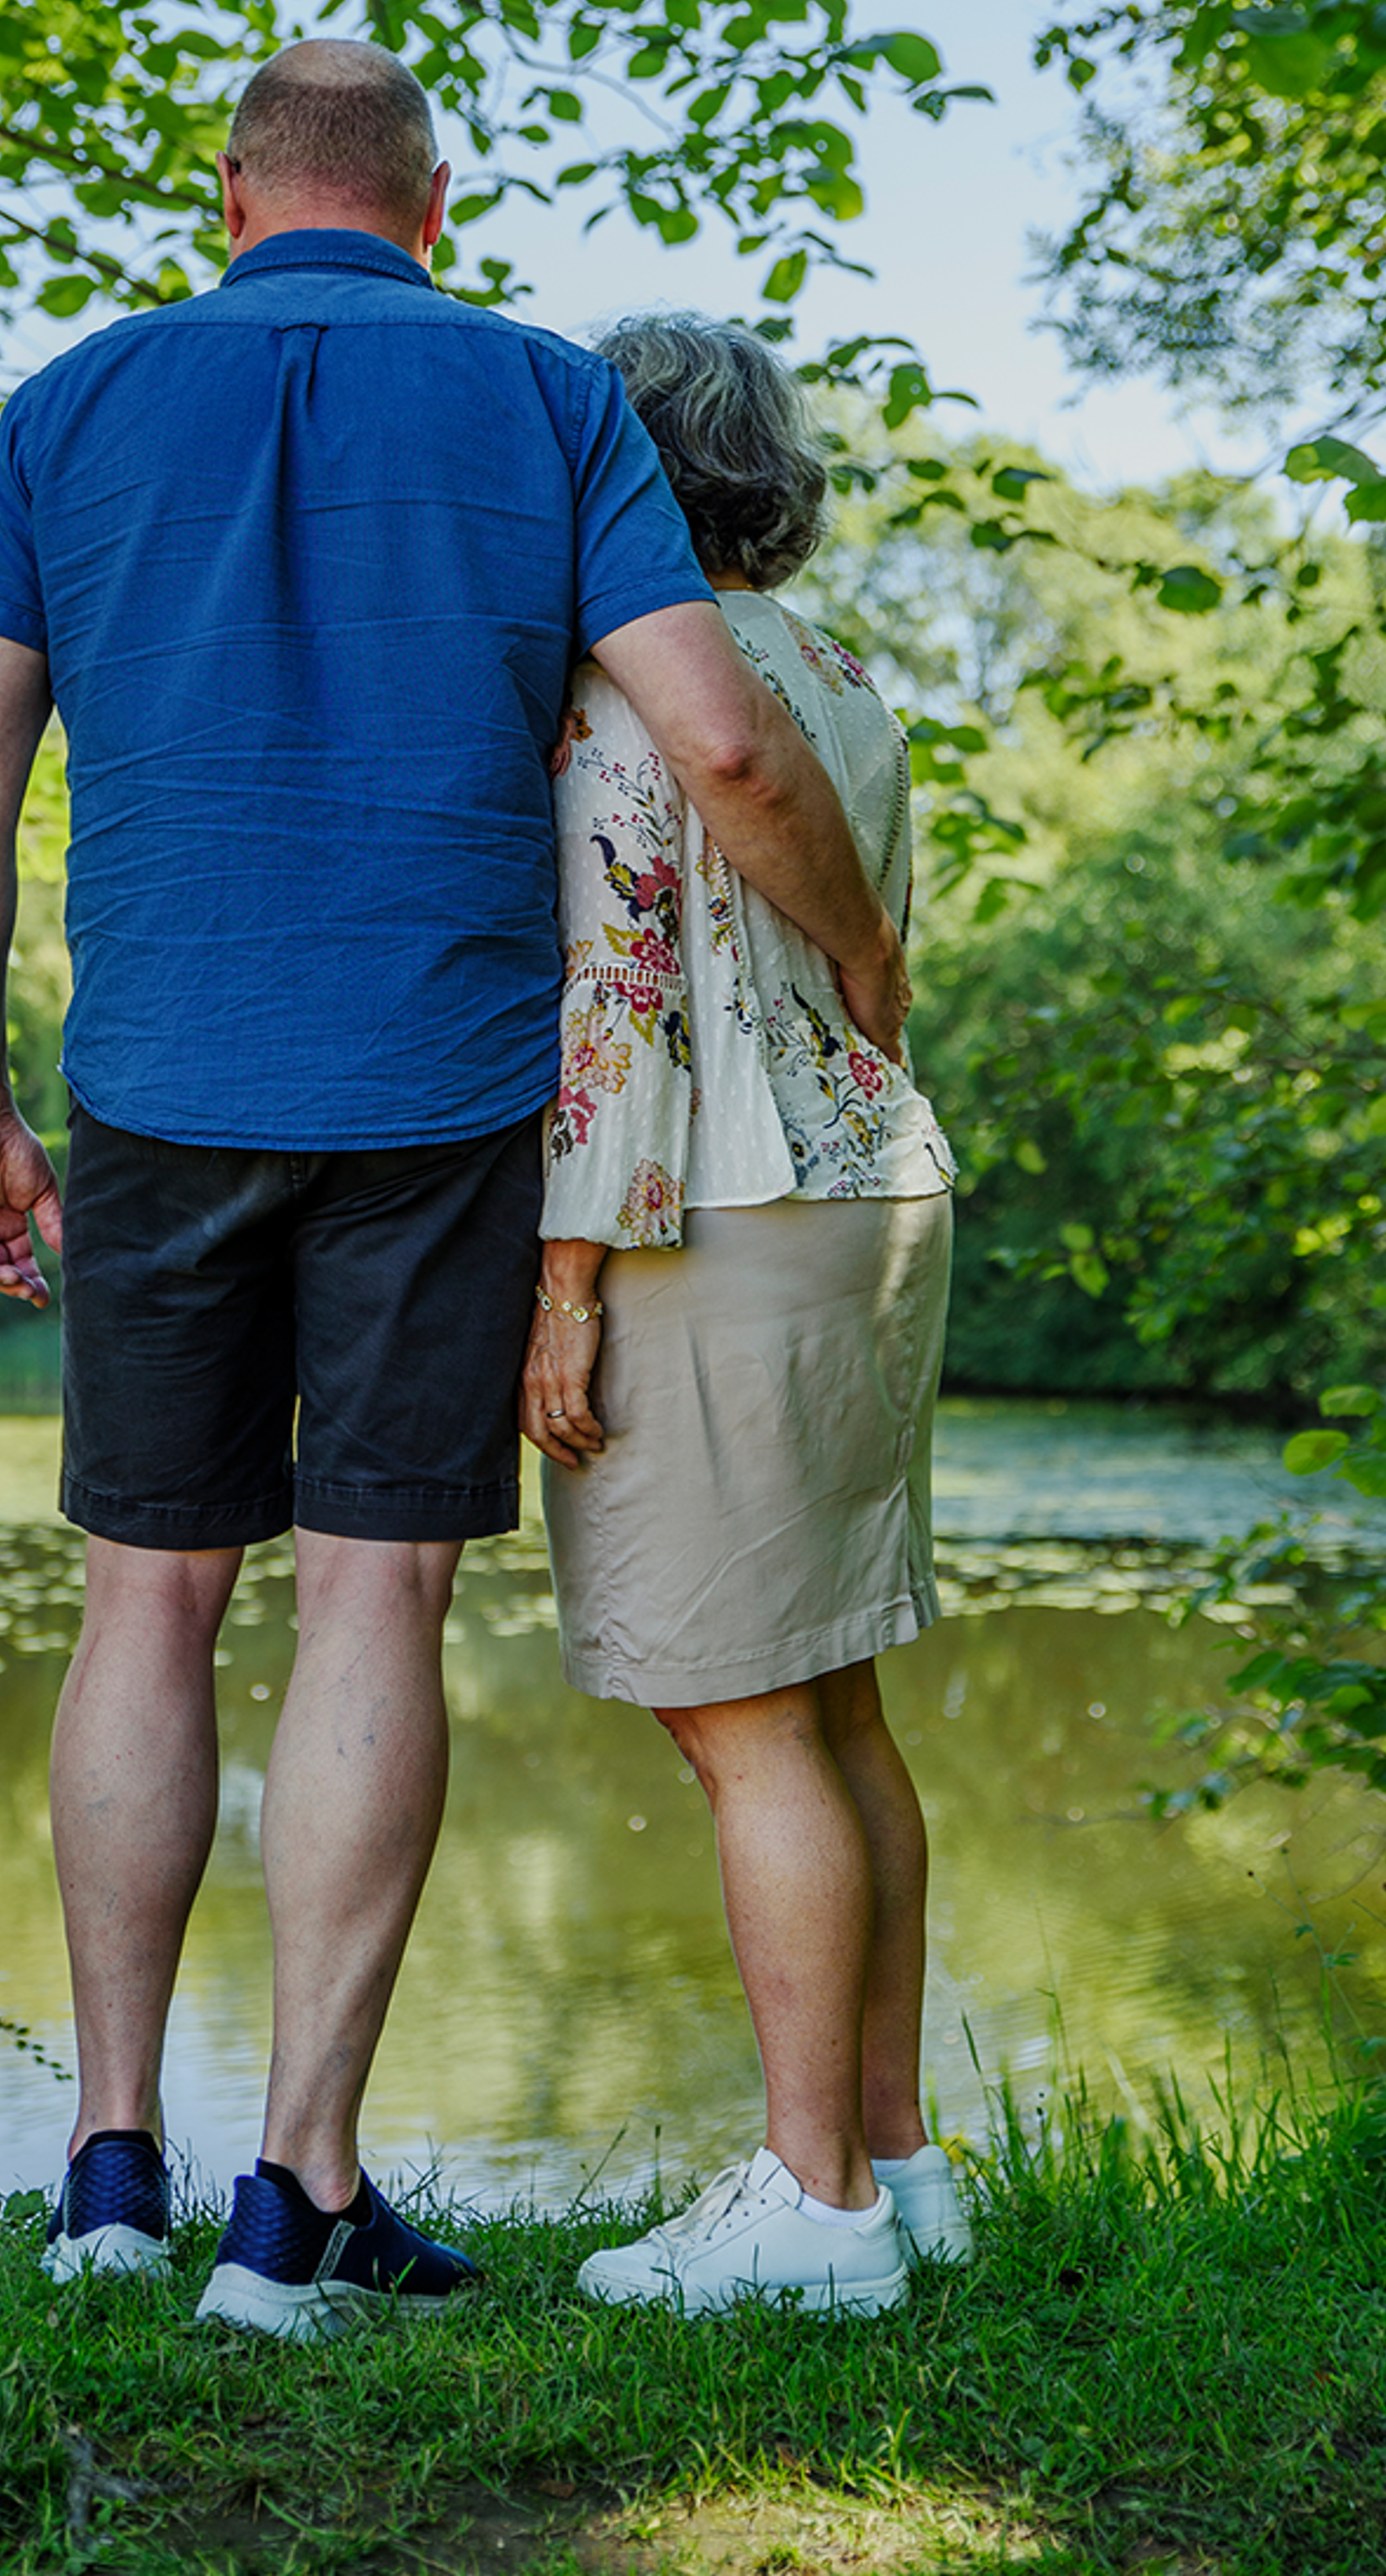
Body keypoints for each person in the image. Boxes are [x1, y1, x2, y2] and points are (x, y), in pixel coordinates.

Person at [0, 40, 912, 2339]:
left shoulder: (69, 403)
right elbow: (719, 735)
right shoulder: (544, 397)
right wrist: (863, 953)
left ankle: (108, 2170)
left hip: (158, 1079)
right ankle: (298, 2200)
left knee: (143, 1603)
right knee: (371, 1601)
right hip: (443, 1090)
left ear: (230, 194)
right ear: (434, 205)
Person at [521, 311, 964, 2321]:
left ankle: (813, 2204)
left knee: (745, 1721)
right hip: (873, 1193)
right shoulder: (838, 669)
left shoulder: (635, 670)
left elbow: (618, 1005)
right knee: (841, 1699)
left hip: (716, 1210)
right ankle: (899, 2167)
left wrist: (564, 1279)